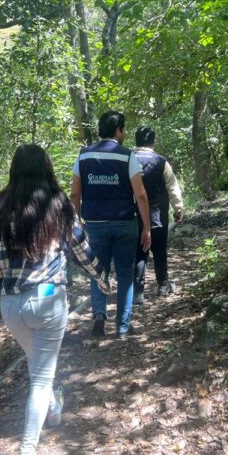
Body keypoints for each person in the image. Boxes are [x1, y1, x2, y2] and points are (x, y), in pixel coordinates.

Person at [0, 144, 109, 455]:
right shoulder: (59, 205)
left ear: (14, 170)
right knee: (41, 378)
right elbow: (83, 251)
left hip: (12, 307)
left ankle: (53, 407)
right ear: (46, 168)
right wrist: (103, 280)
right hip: (48, 301)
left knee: (38, 368)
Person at [70, 110, 152, 339]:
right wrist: (146, 227)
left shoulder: (83, 156)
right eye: (123, 130)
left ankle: (98, 316)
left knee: (97, 272)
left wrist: (76, 224)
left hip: (94, 225)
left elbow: (75, 194)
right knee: (125, 273)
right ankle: (123, 326)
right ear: (118, 131)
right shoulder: (127, 156)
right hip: (125, 223)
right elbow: (141, 195)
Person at [132, 126, 184, 304]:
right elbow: (172, 187)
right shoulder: (161, 161)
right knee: (160, 250)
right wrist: (178, 209)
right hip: (157, 215)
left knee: (140, 253)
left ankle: (138, 293)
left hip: (134, 216)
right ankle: (163, 285)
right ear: (153, 141)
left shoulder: (128, 159)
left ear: (136, 140)